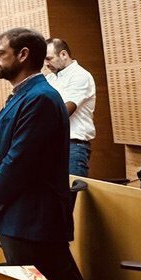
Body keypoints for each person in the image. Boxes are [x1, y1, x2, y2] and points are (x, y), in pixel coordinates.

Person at [0, 28, 85, 280]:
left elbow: (20, 161)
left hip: (32, 220)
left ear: (23, 55)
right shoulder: (21, 95)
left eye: (1, 53)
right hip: (18, 215)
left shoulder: (41, 98)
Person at [45, 38, 97, 177]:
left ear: (63, 54)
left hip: (73, 146)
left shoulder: (80, 76)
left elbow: (65, 110)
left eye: (49, 59)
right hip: (51, 145)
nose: (46, 64)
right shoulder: (49, 79)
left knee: (71, 196)